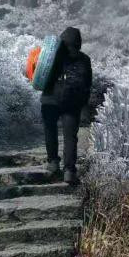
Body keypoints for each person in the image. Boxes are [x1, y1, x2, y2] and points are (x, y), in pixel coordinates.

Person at [41, 26, 92, 184]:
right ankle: (69, 171)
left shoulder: (52, 55)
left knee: (50, 131)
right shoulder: (84, 59)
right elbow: (88, 84)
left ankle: (53, 163)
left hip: (49, 100)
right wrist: (82, 103)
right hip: (72, 103)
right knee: (70, 137)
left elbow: (40, 73)